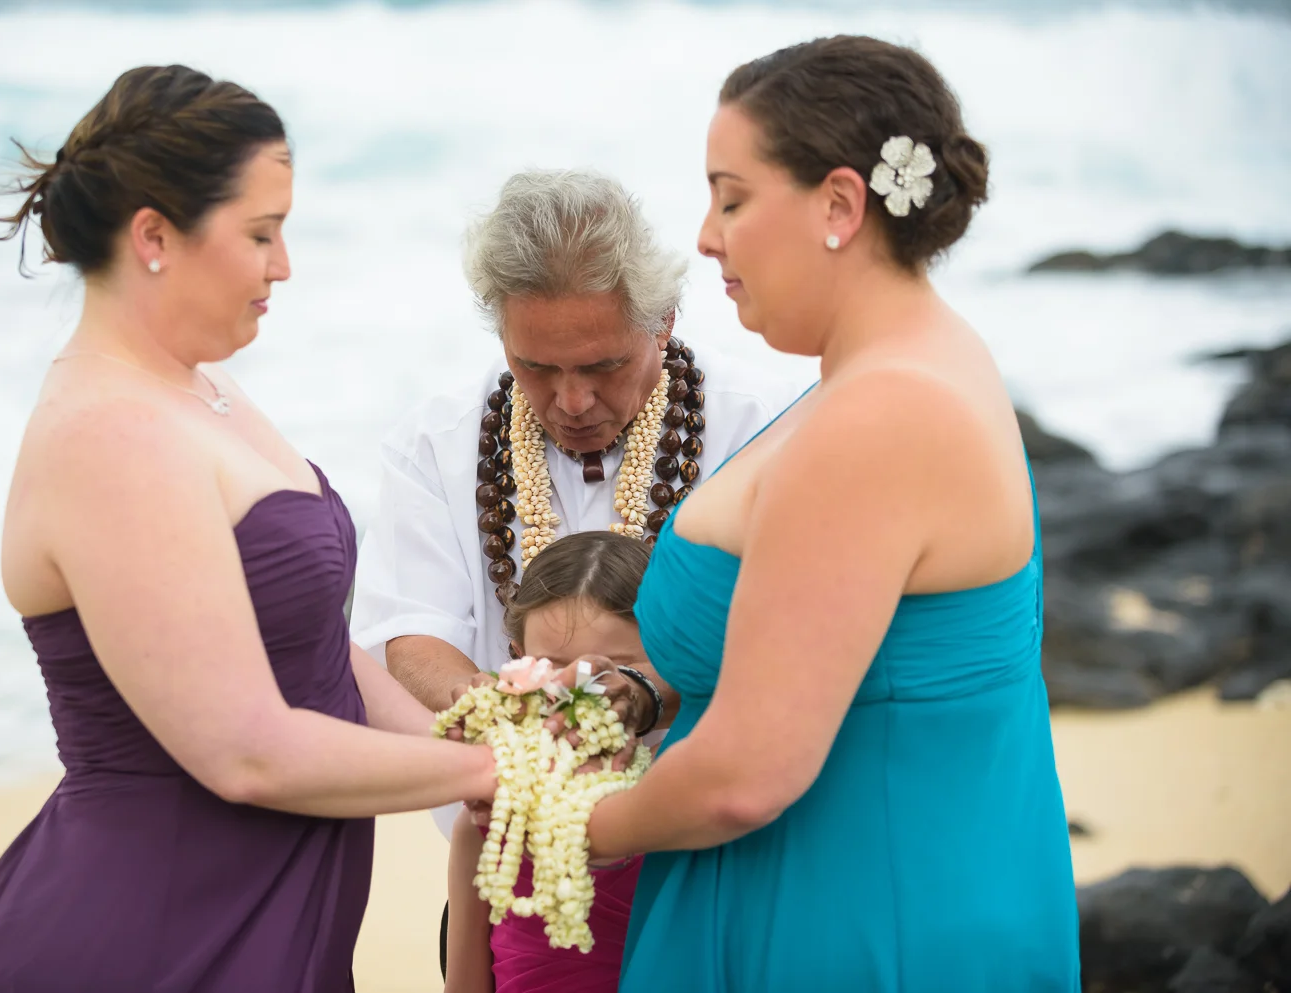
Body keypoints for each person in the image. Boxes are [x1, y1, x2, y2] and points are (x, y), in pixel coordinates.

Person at [0, 65, 495, 993]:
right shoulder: (111, 436)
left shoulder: (202, 389)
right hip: (162, 927)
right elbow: (247, 750)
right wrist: (488, 766)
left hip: (273, 902)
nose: (284, 264)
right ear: (154, 234)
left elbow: (310, 649)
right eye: (261, 233)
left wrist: (481, 741)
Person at [583, 36, 1082, 991]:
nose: (705, 234)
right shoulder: (917, 358)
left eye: (731, 198)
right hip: (896, 885)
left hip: (855, 922)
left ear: (841, 204)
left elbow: (748, 774)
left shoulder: (879, 414)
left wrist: (566, 823)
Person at [348, 169, 801, 839]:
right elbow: (409, 637)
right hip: (506, 856)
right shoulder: (434, 443)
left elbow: (789, 645)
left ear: (664, 322)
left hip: (715, 857)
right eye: (536, 367)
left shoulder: (767, 428)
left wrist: (642, 691)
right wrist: (499, 710)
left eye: (601, 366)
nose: (572, 401)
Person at [444, 531, 655, 993]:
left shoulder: (693, 804)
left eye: (610, 672)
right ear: (518, 663)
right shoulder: (487, 824)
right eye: (552, 668)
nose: (576, 697)